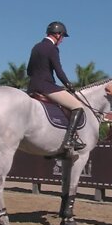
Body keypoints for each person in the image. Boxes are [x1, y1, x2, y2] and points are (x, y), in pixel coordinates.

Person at [27, 21, 85, 151]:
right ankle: (70, 140)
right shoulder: (52, 48)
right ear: (58, 34)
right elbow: (59, 71)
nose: (62, 40)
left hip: (32, 86)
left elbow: (29, 71)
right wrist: (68, 85)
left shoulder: (36, 46)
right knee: (78, 106)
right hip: (46, 86)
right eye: (63, 36)